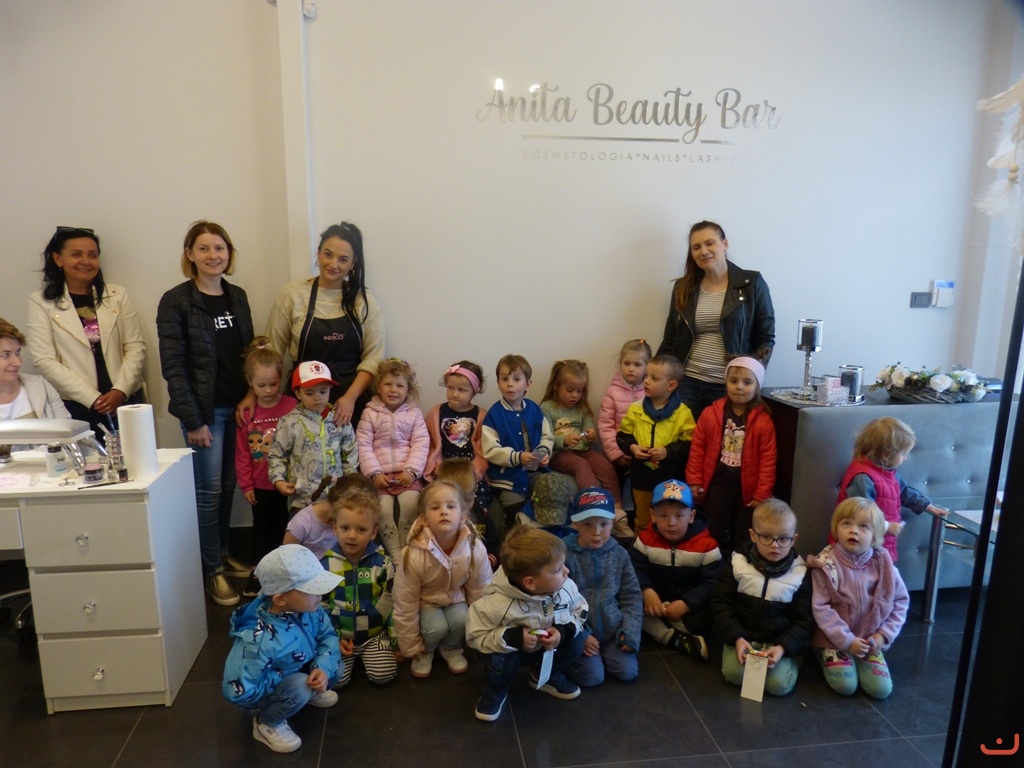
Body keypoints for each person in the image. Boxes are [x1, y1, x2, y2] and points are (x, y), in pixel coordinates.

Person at [157, 221, 254, 607]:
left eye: (219, 248)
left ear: (229, 253)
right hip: (205, 413)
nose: (213, 255)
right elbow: (174, 366)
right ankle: (212, 570)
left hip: (238, 407)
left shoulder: (237, 296)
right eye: (204, 248)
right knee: (208, 491)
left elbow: (249, 352)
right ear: (190, 254)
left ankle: (224, 554)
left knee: (229, 488)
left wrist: (251, 394)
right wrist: (194, 419)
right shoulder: (176, 301)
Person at [258, 222, 385, 428]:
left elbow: (373, 358)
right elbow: (271, 353)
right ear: (318, 253)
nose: (333, 264)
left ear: (352, 264)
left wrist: (350, 398)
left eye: (343, 259)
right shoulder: (293, 294)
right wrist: (257, 396)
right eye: (328, 254)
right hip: (302, 401)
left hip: (352, 403)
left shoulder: (363, 300)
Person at [26, 226, 146, 438]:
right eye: (76, 254)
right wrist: (93, 398)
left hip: (125, 400)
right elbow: (44, 360)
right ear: (58, 259)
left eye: (92, 255)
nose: (86, 261)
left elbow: (135, 346)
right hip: (78, 406)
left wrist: (120, 390)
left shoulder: (117, 295)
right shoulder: (41, 302)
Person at [222, 544, 342, 753]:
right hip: (264, 694)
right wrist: (283, 675)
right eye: (312, 590)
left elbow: (328, 637)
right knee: (300, 686)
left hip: (298, 668)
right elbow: (237, 691)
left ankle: (309, 692)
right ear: (280, 598)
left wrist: (322, 668)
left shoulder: (310, 609)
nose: (320, 596)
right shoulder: (258, 640)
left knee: (336, 668)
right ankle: (267, 722)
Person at [466, 525, 588, 721]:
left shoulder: (566, 586)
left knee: (577, 641)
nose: (567, 571)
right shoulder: (495, 604)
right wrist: (513, 638)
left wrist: (563, 631)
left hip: (547, 647)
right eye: (558, 569)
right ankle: (495, 690)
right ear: (530, 582)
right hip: (511, 653)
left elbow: (581, 609)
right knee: (500, 658)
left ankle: (544, 676)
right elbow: (475, 636)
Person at [658, 220, 775, 418]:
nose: (703, 251)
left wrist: (751, 376)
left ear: (725, 244)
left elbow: (765, 337)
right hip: (687, 383)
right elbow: (671, 338)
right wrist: (656, 377)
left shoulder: (751, 283)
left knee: (725, 438)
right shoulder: (683, 288)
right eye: (696, 247)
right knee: (682, 437)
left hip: (729, 385)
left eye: (709, 243)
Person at [807, 498, 909, 700]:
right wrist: (846, 640)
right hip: (834, 639)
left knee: (880, 690)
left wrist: (883, 636)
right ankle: (823, 653)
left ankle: (864, 653)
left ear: (875, 535)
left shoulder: (884, 564)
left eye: (863, 526)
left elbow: (900, 602)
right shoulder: (825, 564)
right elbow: (821, 607)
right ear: (836, 529)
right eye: (846, 523)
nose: (853, 531)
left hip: (870, 640)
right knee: (845, 686)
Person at [711, 499, 813, 697]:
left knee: (778, 686)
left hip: (778, 641)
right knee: (734, 675)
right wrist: (736, 638)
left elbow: (804, 620)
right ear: (752, 535)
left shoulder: (800, 573)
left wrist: (783, 647)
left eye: (783, 539)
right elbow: (721, 603)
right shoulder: (738, 563)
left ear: (794, 539)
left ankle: (794, 658)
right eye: (766, 536)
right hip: (742, 636)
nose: (775, 545)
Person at [393, 479, 492, 678]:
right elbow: (405, 603)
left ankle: (451, 647)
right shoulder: (412, 554)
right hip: (426, 602)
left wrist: (484, 634)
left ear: (463, 517)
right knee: (436, 628)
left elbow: (481, 591)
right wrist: (412, 648)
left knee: (462, 619)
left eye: (451, 506)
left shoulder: (474, 548)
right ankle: (427, 650)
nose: (444, 512)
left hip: (455, 597)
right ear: (424, 519)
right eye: (435, 507)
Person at [686, 356, 776, 555]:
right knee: (712, 527)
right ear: (725, 382)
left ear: (757, 386)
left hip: (746, 490)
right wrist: (694, 480)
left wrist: (762, 493)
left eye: (747, 382)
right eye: (733, 381)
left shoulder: (763, 421)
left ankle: (740, 565)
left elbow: (768, 461)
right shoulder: (710, 414)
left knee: (743, 533)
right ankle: (711, 562)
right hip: (716, 485)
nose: (739, 387)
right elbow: (697, 450)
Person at [630, 480, 721, 660]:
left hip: (688, 604)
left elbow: (713, 582)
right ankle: (672, 637)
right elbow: (634, 570)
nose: (671, 523)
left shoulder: (707, 545)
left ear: (691, 516)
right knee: (629, 607)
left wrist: (686, 603)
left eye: (679, 516)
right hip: (654, 600)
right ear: (653, 515)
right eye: (663, 515)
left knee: (707, 620)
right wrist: (647, 591)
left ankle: (662, 628)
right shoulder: (644, 540)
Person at [837, 416, 948, 562]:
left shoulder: (887, 472)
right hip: (858, 548)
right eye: (903, 454)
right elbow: (860, 514)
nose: (905, 458)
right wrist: (886, 527)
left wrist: (925, 505)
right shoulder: (863, 477)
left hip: (876, 544)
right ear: (886, 455)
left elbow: (904, 491)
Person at [235, 337, 297, 597]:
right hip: (260, 485)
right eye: (261, 385)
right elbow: (242, 453)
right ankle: (258, 573)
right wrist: (246, 485)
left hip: (289, 484)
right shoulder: (246, 413)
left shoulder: (292, 406)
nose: (269, 390)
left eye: (273, 383)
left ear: (280, 378)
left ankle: (284, 573)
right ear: (250, 382)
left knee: (287, 527)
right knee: (261, 530)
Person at [563, 487, 643, 687]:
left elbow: (632, 596)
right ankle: (561, 659)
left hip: (612, 632)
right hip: (578, 630)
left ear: (613, 523)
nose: (597, 532)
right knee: (593, 677)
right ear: (575, 523)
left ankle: (602, 654)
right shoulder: (563, 555)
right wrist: (581, 635)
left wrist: (629, 631)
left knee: (627, 671)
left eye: (604, 524)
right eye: (587, 524)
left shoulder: (620, 554)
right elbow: (558, 601)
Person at [322, 487, 397, 688]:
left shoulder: (383, 563)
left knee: (383, 675)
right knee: (335, 681)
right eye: (345, 528)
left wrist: (395, 639)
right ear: (335, 528)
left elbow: (392, 601)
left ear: (373, 532)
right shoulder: (325, 565)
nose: (352, 536)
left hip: (373, 634)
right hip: (340, 636)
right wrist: (332, 637)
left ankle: (375, 651)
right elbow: (320, 606)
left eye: (361, 530)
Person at [357, 358, 429, 557]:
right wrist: (374, 474)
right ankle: (396, 556)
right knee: (382, 511)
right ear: (378, 386)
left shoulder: (414, 414)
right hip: (379, 475)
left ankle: (407, 550)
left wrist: (412, 471)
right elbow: (363, 445)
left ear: (408, 390)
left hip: (407, 474)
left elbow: (421, 444)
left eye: (399, 385)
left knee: (410, 505)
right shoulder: (369, 413)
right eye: (388, 384)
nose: (393, 390)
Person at [616, 355, 696, 534]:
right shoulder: (636, 409)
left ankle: (666, 546)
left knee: (668, 520)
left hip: (671, 480)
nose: (646, 381)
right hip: (642, 478)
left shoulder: (683, 413)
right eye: (646, 376)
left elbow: (690, 445)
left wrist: (667, 451)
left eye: (654, 378)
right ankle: (641, 545)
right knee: (643, 520)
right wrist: (633, 448)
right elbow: (622, 436)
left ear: (671, 385)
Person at [269, 360, 358, 514]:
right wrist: (278, 480)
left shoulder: (339, 419)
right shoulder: (290, 422)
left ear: (330, 389)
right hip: (302, 499)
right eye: (309, 393)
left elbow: (350, 453)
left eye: (323, 392)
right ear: (298, 393)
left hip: (337, 498)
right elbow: (277, 454)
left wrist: (351, 483)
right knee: (299, 529)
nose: (317, 397)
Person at [481, 354, 554, 535]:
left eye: (516, 379)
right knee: (518, 512)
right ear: (498, 383)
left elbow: (546, 435)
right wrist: (517, 457)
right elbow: (491, 450)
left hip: (534, 470)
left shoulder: (534, 409)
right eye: (504, 379)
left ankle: (550, 535)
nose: (510, 384)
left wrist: (544, 452)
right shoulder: (494, 415)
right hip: (507, 478)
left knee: (552, 489)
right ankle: (509, 536)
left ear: (528, 384)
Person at [540, 359, 622, 508]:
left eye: (579, 391)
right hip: (559, 454)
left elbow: (588, 431)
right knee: (581, 465)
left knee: (606, 467)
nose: (575, 395)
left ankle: (617, 509)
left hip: (583, 450)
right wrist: (564, 439)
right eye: (570, 390)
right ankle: (594, 507)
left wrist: (591, 436)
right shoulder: (547, 408)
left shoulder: (582, 408)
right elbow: (545, 437)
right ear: (556, 386)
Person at [423, 360, 490, 511]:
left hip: (469, 469)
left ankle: (474, 524)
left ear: (474, 391)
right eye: (450, 388)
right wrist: (437, 468)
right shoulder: (436, 412)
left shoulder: (481, 415)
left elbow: (483, 450)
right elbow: (429, 444)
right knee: (435, 497)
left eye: (461, 390)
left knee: (477, 499)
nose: (454, 394)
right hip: (443, 467)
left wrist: (474, 473)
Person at [598, 338, 651, 527]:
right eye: (626, 363)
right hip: (619, 454)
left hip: (644, 455)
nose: (631, 369)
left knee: (641, 491)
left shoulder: (651, 393)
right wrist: (618, 454)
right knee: (617, 488)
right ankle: (616, 523)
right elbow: (605, 425)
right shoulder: (612, 392)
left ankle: (641, 523)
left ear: (647, 366)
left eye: (637, 364)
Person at [283, 474, 377, 559]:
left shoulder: (350, 523)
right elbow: (285, 560)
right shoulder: (302, 522)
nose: (352, 535)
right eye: (345, 528)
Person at [0, 318, 71, 423]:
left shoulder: (41, 386)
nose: (18, 362)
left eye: (18, 352)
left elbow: (67, 429)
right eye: (5, 355)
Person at [434, 457, 499, 568]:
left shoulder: (481, 514)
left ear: (475, 492)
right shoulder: (437, 519)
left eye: (468, 501)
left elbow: (494, 545)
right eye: (453, 505)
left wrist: (488, 561)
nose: (463, 510)